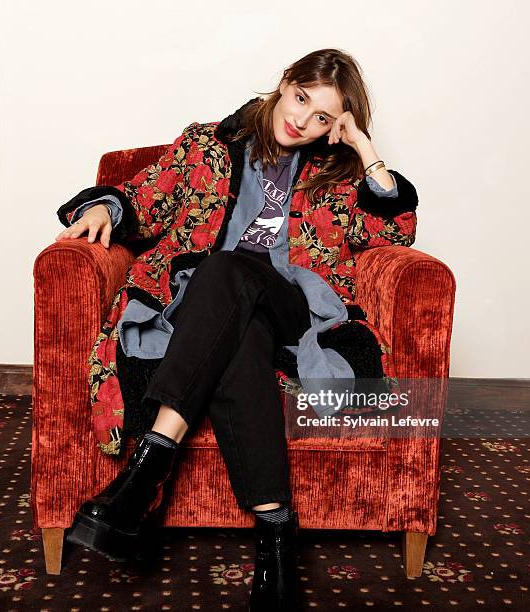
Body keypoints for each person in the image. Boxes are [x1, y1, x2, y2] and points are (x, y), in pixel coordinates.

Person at [54, 48, 418, 611]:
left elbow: (395, 229)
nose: (302, 121)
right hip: (219, 313)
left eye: (323, 117)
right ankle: (277, 536)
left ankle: (148, 469)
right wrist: (107, 207)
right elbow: (149, 199)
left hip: (291, 307)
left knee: (226, 269)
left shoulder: (333, 172)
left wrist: (362, 145)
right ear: (285, 83)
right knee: (236, 327)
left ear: (335, 126)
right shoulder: (207, 146)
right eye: (301, 99)